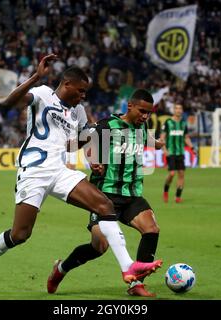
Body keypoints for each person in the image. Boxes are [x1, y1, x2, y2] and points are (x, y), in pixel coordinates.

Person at [0, 55, 162, 295]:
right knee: (20, 234)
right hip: (34, 171)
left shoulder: (78, 111)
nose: (83, 96)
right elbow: (9, 103)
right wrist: (37, 76)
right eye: (80, 91)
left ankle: (128, 268)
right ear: (67, 84)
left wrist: (92, 159)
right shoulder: (42, 94)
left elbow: (80, 142)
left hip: (60, 171)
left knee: (104, 205)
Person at [46, 89, 165, 297]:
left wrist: (158, 143)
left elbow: (145, 139)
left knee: (151, 229)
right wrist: (93, 161)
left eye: (148, 113)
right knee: (99, 246)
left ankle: (136, 284)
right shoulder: (107, 125)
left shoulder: (142, 126)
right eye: (142, 111)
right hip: (104, 197)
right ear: (130, 106)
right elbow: (87, 143)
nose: (145, 116)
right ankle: (61, 269)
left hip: (132, 194)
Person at [160, 104, 194, 204]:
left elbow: (186, 137)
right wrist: (164, 149)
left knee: (181, 174)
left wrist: (191, 147)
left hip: (180, 152)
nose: (178, 110)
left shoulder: (183, 123)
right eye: (177, 108)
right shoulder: (168, 122)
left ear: (182, 111)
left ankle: (178, 196)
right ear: (173, 110)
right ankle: (166, 191)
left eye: (180, 108)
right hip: (171, 152)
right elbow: (162, 137)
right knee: (171, 173)